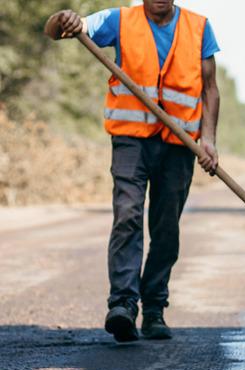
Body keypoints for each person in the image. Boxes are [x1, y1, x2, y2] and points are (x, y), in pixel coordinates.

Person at [44, 0, 221, 342]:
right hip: (131, 140)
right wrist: (62, 18)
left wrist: (209, 140)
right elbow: (56, 31)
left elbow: (210, 88)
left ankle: (154, 309)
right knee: (127, 214)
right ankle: (123, 304)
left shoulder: (199, 28)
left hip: (180, 143)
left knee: (166, 228)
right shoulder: (119, 20)